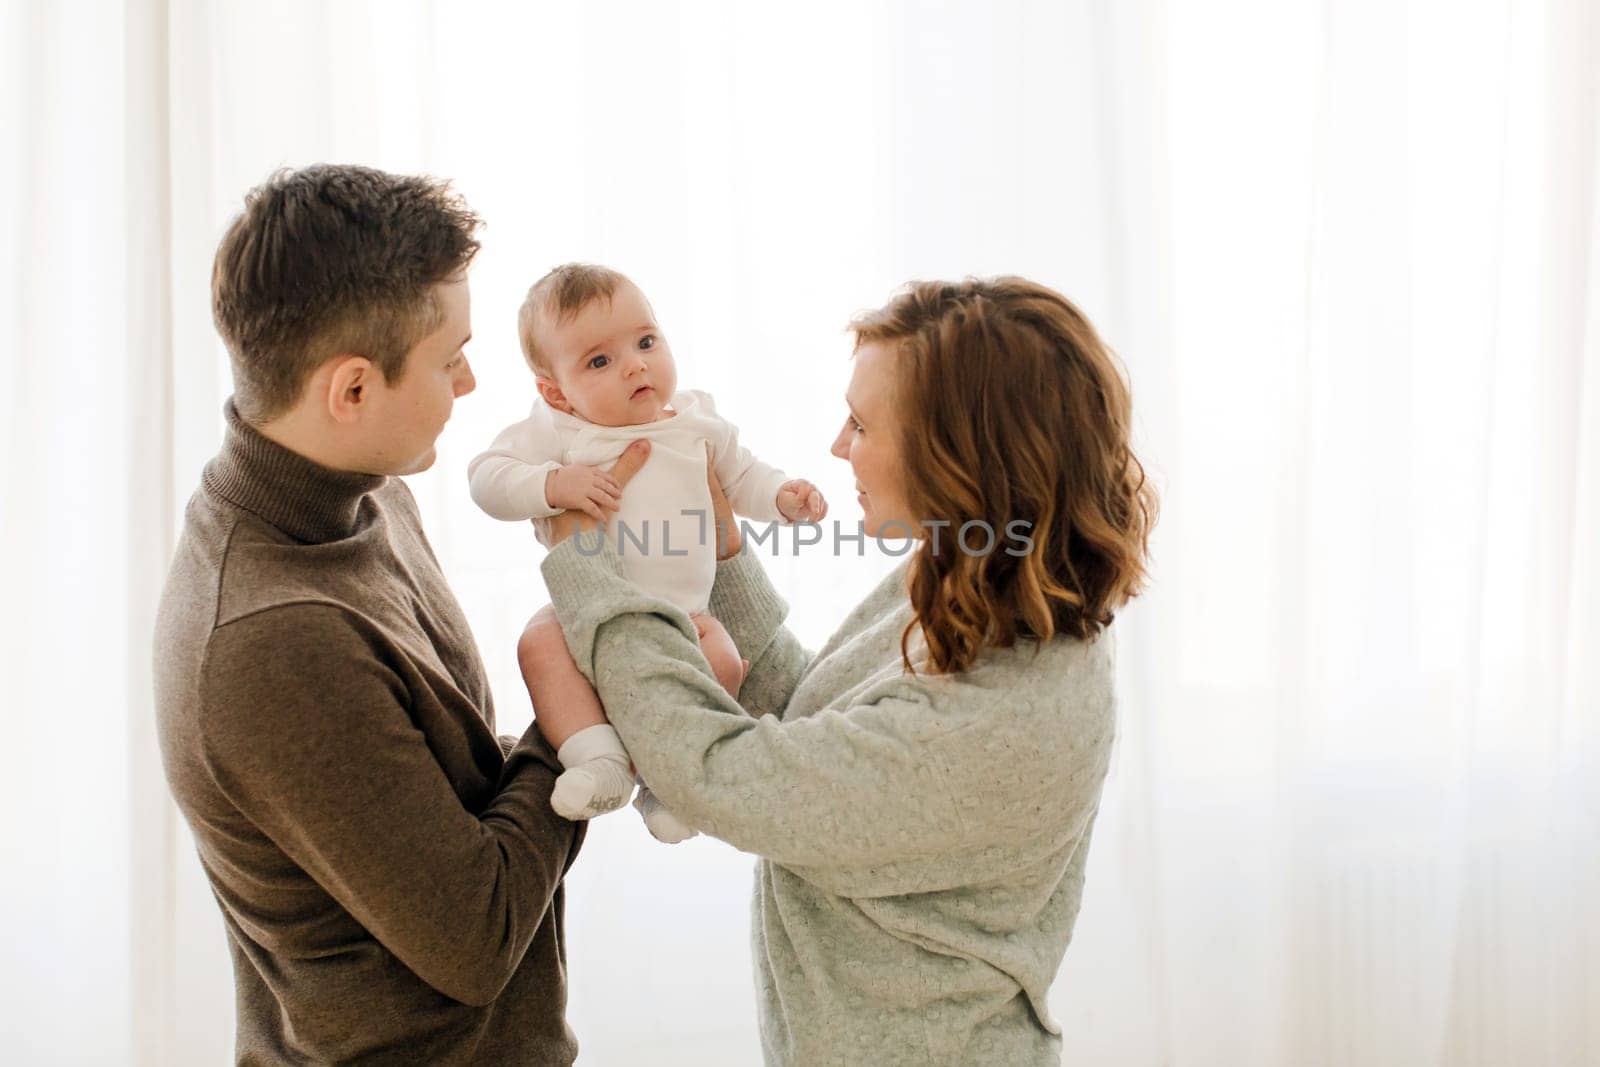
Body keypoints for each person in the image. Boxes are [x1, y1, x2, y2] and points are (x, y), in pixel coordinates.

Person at [526, 277, 1157, 1064]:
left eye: (861, 423)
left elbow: (717, 773)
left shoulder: (1010, 710)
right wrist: (718, 555)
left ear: (957, 455)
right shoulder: (965, 582)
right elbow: (815, 735)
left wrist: (591, 569)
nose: (835, 445)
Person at [152, 164, 616, 1066]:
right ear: (352, 389)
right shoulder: (271, 639)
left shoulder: (359, 491)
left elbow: (462, 793)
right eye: (450, 360)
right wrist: (576, 720)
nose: (473, 381)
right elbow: (476, 938)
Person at [470, 263, 827, 842]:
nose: (636, 364)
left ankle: (667, 783)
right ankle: (599, 759)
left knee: (725, 664)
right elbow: (486, 478)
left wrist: (783, 498)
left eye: (645, 341)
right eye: (599, 361)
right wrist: (553, 486)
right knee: (538, 646)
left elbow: (744, 478)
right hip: (580, 619)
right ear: (556, 390)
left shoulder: (695, 421)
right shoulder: (558, 431)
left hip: (687, 614)